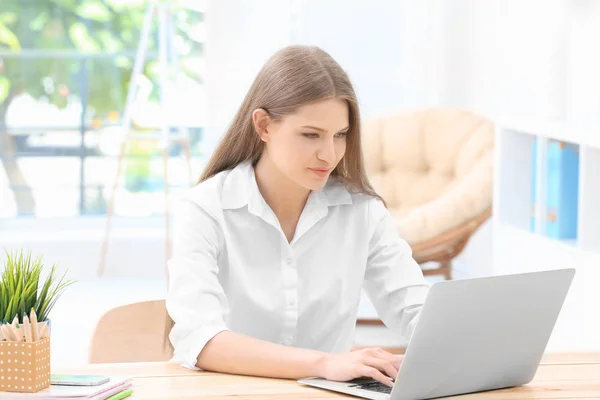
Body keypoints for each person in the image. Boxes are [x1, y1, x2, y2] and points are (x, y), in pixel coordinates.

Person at [165, 45, 429, 387]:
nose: (329, 154)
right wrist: (327, 363)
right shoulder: (205, 208)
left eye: (340, 135)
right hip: (229, 393)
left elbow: (415, 309)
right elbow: (202, 341)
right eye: (310, 135)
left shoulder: (363, 212)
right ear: (263, 126)